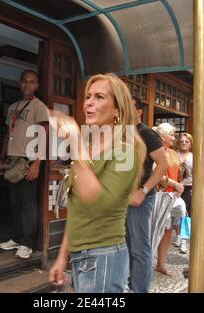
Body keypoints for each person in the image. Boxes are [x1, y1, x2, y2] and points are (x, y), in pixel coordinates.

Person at [49, 73, 146, 293]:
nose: (89, 103)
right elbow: (77, 209)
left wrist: (74, 141)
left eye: (100, 97)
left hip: (104, 256)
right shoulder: (86, 149)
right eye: (88, 96)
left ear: (117, 109)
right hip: (79, 255)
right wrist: (62, 257)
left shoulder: (126, 151)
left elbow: (98, 203)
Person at [0, 69, 48, 259]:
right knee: (15, 203)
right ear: (20, 83)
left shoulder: (39, 106)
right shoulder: (13, 107)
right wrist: (1, 160)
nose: (28, 85)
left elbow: (43, 135)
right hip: (12, 160)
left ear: (36, 86)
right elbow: (8, 135)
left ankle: (27, 243)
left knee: (28, 204)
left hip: (28, 161)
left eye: (32, 82)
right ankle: (16, 239)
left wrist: (37, 164)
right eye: (25, 81)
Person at [125, 97, 167, 293]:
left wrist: (143, 191)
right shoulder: (120, 132)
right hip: (122, 197)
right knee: (124, 244)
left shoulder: (146, 133)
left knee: (139, 247)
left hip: (140, 198)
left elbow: (163, 164)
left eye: (129, 105)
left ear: (139, 111)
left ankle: (139, 290)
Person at [151, 123, 186, 276]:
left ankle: (161, 263)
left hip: (171, 196)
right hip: (158, 194)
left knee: (167, 230)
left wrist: (178, 187)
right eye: (171, 135)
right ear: (162, 136)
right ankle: (146, 263)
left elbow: (178, 172)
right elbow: (155, 172)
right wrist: (175, 184)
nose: (174, 137)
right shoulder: (154, 150)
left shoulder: (172, 152)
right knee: (154, 229)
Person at [178, 133, 193, 216]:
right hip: (174, 188)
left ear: (190, 144)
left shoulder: (194, 157)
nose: (184, 143)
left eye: (187, 141)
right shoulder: (173, 155)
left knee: (186, 214)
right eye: (182, 141)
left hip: (188, 189)